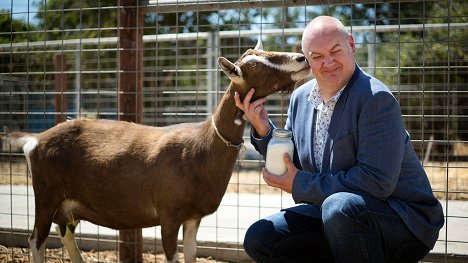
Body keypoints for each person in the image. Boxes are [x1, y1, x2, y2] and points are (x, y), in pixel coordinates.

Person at [234, 16, 444, 262]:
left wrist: (300, 183)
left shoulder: (376, 99)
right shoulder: (300, 98)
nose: (328, 62)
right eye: (317, 56)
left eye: (335, 50)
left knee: (340, 208)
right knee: (260, 237)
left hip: (402, 218)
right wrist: (263, 128)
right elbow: (292, 161)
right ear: (307, 59)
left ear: (351, 45)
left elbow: (377, 182)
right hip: (335, 215)